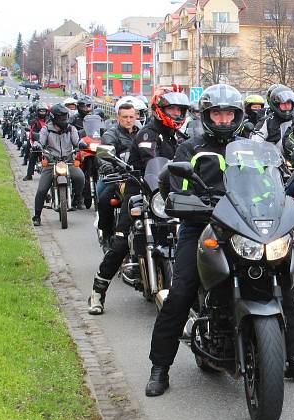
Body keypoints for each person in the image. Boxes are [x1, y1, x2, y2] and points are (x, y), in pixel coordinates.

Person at [144, 83, 294, 397]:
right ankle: (160, 368)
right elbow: (171, 184)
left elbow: (270, 181)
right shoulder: (190, 149)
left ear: (237, 116)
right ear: (207, 115)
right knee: (181, 291)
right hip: (202, 224)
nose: (223, 119)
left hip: (247, 224)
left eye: (229, 114)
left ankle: (293, 357)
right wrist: (185, 202)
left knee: (283, 284)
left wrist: (277, 201)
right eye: (217, 113)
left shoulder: (254, 148)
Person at [87, 87, 190, 315]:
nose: (176, 114)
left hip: (166, 196)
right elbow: (152, 161)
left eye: (179, 110)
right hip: (141, 191)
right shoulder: (146, 134)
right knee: (121, 242)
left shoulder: (180, 138)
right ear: (159, 110)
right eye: (171, 109)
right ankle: (97, 292)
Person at [95, 98, 140, 246]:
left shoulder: (142, 133)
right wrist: (107, 165)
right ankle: (107, 235)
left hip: (139, 177)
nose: (128, 120)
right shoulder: (111, 134)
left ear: (136, 117)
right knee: (104, 200)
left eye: (131, 117)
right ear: (118, 118)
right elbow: (104, 153)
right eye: (125, 117)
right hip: (118, 176)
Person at [32, 104, 86, 226]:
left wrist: (81, 144)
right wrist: (37, 145)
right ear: (54, 118)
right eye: (61, 117)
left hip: (68, 161)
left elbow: (77, 141)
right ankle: (37, 216)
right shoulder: (46, 129)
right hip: (51, 162)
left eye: (65, 117)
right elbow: (40, 140)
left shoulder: (71, 129)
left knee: (80, 177)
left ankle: (78, 198)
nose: (64, 120)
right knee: (41, 190)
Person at [254, 84, 294, 150]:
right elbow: (255, 141)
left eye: (288, 103)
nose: (286, 106)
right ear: (276, 104)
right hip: (273, 158)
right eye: (283, 104)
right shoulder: (268, 121)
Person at [23, 103, 49, 180]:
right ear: (37, 111)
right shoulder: (35, 121)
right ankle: (29, 175)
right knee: (33, 156)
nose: (42, 113)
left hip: (49, 142)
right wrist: (34, 143)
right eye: (41, 111)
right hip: (38, 142)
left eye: (44, 111)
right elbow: (32, 133)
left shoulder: (49, 121)